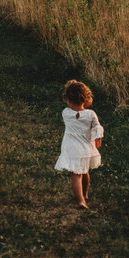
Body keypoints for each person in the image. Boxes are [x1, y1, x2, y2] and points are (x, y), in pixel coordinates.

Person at [54, 79, 104, 209]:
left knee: (76, 175)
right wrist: (98, 137)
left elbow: (74, 108)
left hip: (72, 148)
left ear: (68, 100)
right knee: (85, 172)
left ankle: (81, 200)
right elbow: (97, 126)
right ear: (86, 99)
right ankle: (85, 194)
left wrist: (71, 88)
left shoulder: (66, 113)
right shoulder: (91, 114)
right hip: (86, 148)